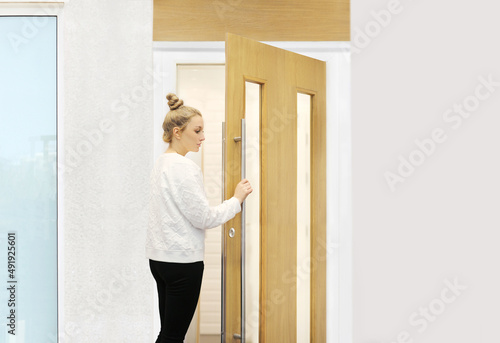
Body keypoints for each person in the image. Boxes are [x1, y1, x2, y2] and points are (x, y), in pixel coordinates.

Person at [146, 93, 252, 343]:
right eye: (198, 130)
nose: (203, 137)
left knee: (167, 333)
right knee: (173, 336)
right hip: (182, 264)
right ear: (177, 132)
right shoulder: (184, 167)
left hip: (159, 260)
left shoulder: (162, 163)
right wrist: (236, 200)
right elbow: (204, 217)